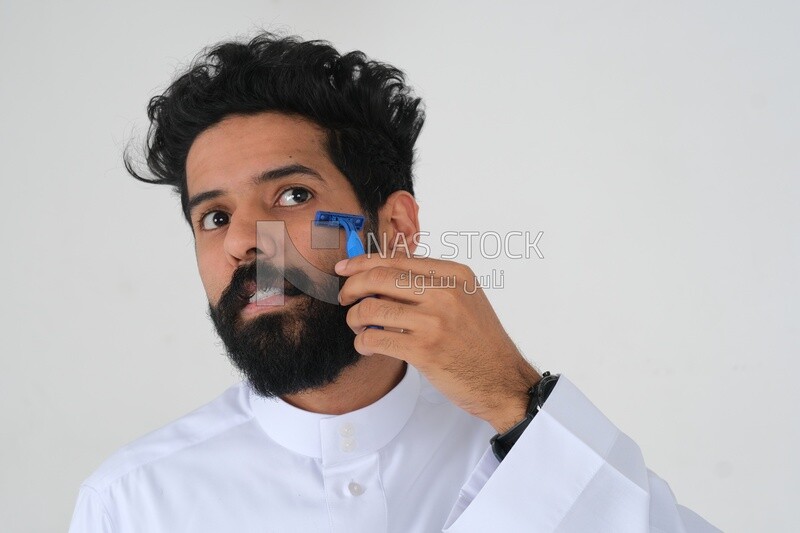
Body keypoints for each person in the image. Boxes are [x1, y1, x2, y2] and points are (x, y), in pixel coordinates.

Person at [68, 31, 721, 532]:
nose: (244, 240)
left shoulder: (530, 441)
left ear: (394, 225)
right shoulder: (130, 503)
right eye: (214, 217)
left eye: (293, 194)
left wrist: (517, 399)